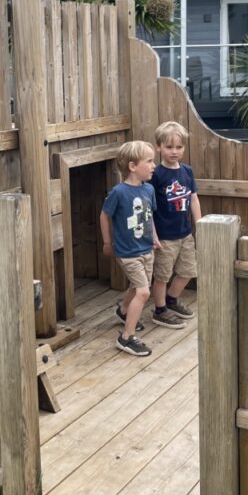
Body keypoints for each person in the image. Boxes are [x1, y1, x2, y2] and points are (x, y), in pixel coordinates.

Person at [100, 140, 161, 356]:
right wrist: (107, 242)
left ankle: (124, 310)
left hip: (147, 250)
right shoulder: (119, 192)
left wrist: (154, 237)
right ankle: (126, 337)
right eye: (150, 161)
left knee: (137, 288)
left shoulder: (149, 189)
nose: (154, 165)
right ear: (133, 166)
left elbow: (149, 216)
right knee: (144, 292)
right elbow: (105, 215)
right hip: (128, 253)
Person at [149, 121, 201, 328]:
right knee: (162, 275)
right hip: (164, 236)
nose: (174, 151)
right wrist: (152, 234)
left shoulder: (187, 171)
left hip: (185, 233)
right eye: (169, 147)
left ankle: (172, 300)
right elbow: (149, 207)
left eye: (179, 147)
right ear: (158, 147)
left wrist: (200, 223)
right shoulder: (156, 175)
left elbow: (194, 198)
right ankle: (160, 310)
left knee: (188, 271)